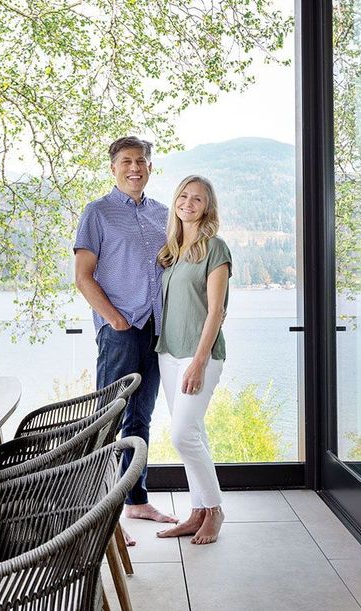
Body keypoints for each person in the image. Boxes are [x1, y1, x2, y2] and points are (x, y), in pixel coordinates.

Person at [74, 136, 178, 543]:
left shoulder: (163, 215)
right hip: (119, 331)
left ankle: (136, 499)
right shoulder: (97, 213)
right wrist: (115, 320)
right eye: (126, 161)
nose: (135, 167)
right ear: (114, 168)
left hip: (156, 329)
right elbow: (83, 277)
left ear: (150, 168)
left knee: (140, 418)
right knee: (106, 420)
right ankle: (98, 516)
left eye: (142, 161)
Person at [155, 175, 232, 545]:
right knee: (193, 432)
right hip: (167, 354)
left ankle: (214, 510)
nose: (188, 203)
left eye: (197, 199)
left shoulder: (215, 248)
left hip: (198, 355)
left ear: (207, 207)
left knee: (182, 434)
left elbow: (216, 310)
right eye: (183, 196)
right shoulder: (172, 251)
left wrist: (199, 361)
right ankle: (196, 512)